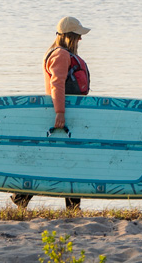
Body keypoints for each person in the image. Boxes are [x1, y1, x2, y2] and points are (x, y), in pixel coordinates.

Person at [12, 15, 91, 211]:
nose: (80, 39)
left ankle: (23, 197)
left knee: (60, 158)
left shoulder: (60, 53)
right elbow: (57, 85)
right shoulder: (61, 55)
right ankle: (23, 197)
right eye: (77, 36)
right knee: (68, 159)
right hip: (61, 115)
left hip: (65, 113)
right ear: (68, 37)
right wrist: (60, 113)